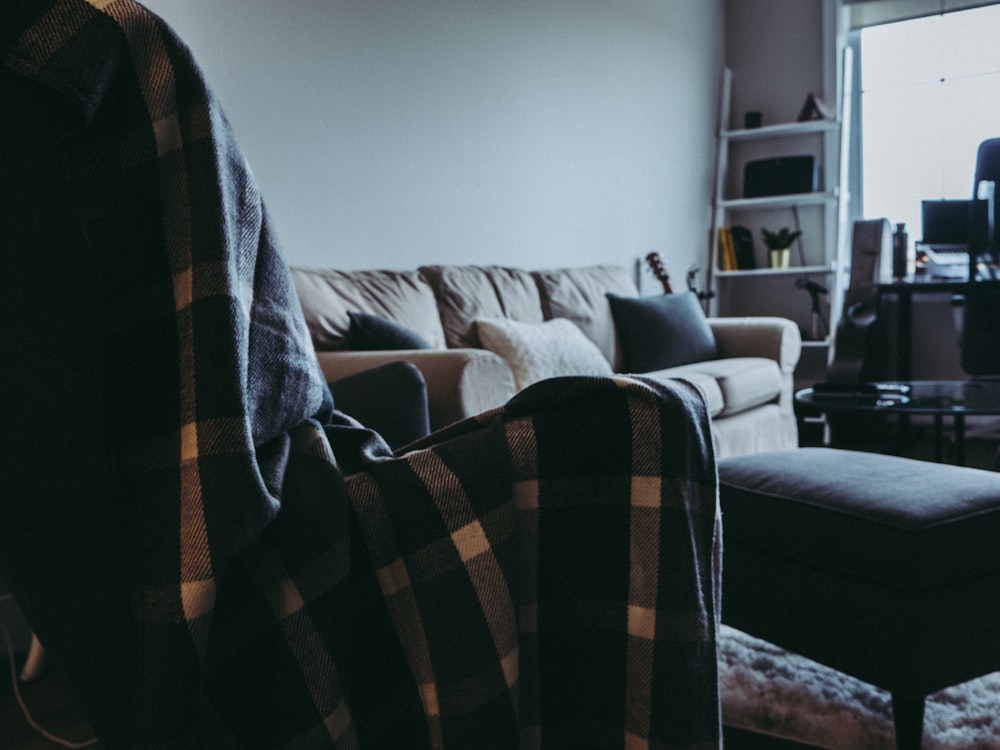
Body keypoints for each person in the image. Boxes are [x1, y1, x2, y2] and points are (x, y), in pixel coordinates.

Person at [0, 2, 722, 747]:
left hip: (158, 532)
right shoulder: (103, 55)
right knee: (643, 420)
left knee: (641, 410)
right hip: (222, 519)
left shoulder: (91, 56)